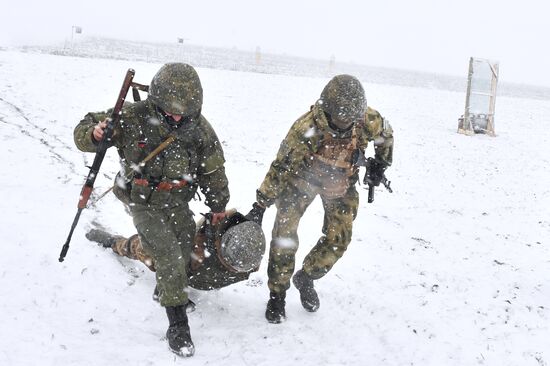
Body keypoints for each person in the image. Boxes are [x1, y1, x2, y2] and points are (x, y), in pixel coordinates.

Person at [74, 63, 230, 357]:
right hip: (143, 201)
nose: (176, 116)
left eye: (183, 111)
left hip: (177, 202)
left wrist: (218, 204)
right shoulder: (133, 117)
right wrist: (95, 135)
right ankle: (177, 321)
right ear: (156, 100)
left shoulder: (198, 127)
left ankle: (155, 278)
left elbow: (213, 169)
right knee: (168, 255)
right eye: (169, 110)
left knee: (184, 250)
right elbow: (86, 127)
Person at [245, 74, 394, 323]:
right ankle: (277, 295)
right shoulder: (306, 129)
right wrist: (260, 204)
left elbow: (386, 135)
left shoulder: (367, 119)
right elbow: (281, 166)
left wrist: (380, 164)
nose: (345, 122)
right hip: (300, 181)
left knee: (339, 239)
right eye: (340, 118)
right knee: (284, 235)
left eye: (350, 118)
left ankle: (307, 276)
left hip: (341, 182)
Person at [85, 209, 266, 292]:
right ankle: (114, 242)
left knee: (144, 249)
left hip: (195, 274)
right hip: (201, 265)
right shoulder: (249, 252)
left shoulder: (201, 259)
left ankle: (114, 243)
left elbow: (172, 263)